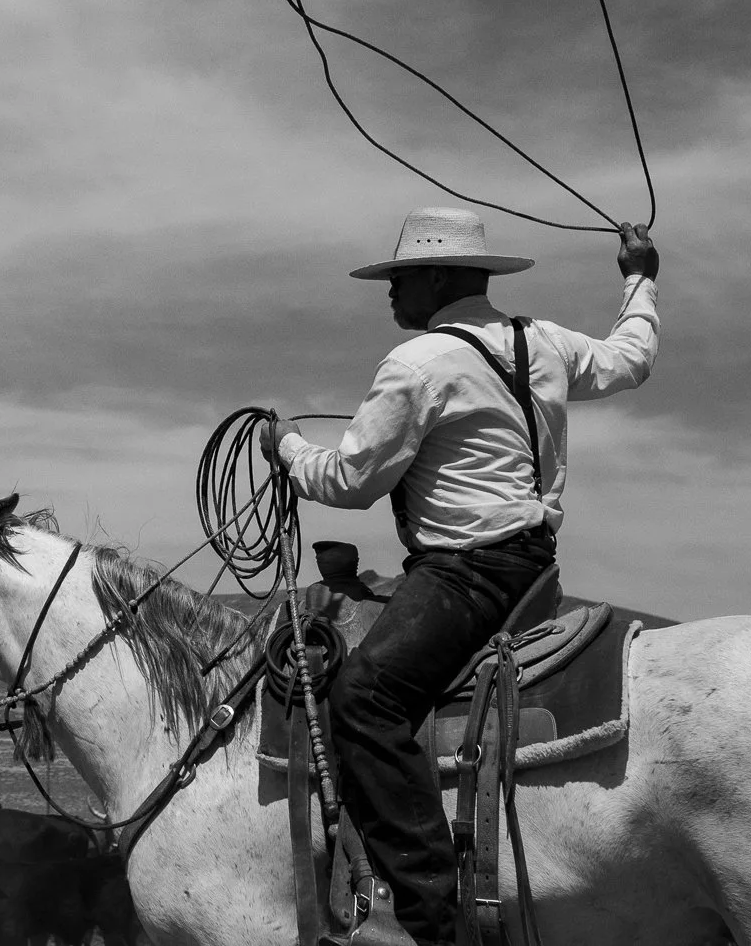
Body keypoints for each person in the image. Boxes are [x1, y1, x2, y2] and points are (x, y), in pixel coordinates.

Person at [259, 205, 658, 946]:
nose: (391, 294)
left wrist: (285, 448)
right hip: (530, 564)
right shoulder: (543, 341)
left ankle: (432, 918)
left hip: (464, 573)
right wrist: (639, 278)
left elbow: (352, 478)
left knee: (364, 700)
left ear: (437, 276)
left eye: (401, 278)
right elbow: (629, 358)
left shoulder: (417, 364)